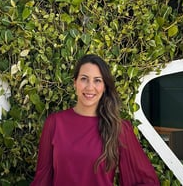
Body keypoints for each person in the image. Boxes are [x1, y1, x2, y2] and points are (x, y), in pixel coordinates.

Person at [31, 54, 160, 185]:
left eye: (97, 80)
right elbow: (43, 178)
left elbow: (147, 181)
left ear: (104, 87)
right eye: (84, 79)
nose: (90, 87)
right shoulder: (54, 123)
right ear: (75, 82)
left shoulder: (118, 128)